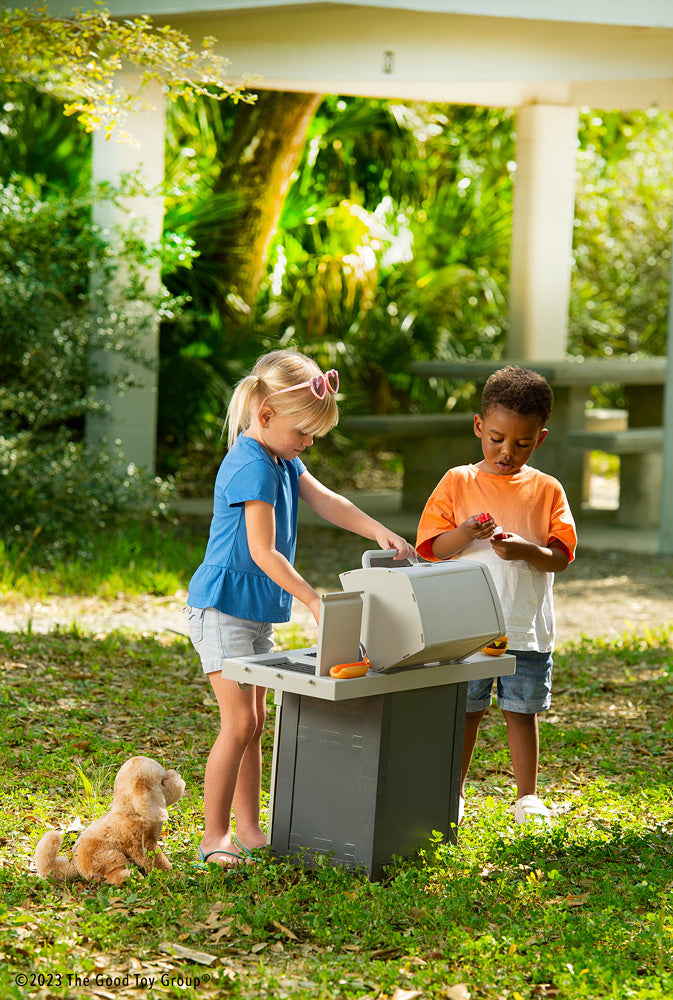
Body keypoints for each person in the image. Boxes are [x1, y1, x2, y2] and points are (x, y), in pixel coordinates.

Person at [185, 350, 415, 867]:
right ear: (265, 416)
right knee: (238, 723)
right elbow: (262, 550)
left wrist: (374, 528)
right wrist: (313, 599)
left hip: (253, 610)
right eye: (303, 433)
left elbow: (328, 500)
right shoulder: (251, 463)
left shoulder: (283, 458)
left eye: (313, 436)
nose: (308, 444)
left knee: (255, 723)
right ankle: (213, 836)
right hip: (222, 608)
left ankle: (247, 828)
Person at [415, 366, 577, 824]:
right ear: (478, 427)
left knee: (521, 711)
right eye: (497, 439)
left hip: (523, 625)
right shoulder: (457, 481)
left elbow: (559, 556)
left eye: (522, 444)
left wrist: (526, 549)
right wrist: (466, 531)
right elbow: (433, 551)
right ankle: (453, 792)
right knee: (464, 713)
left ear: (539, 439)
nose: (507, 452)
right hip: (465, 629)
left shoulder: (547, 489)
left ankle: (527, 797)